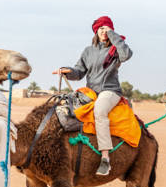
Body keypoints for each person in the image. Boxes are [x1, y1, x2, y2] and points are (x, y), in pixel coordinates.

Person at [56, 16, 133, 176]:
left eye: (107, 28)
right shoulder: (88, 51)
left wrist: (113, 36)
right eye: (101, 29)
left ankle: (105, 158)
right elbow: (79, 72)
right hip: (92, 92)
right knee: (65, 107)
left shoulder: (117, 50)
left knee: (99, 111)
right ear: (96, 31)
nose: (104, 31)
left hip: (110, 91)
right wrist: (67, 71)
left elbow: (125, 55)